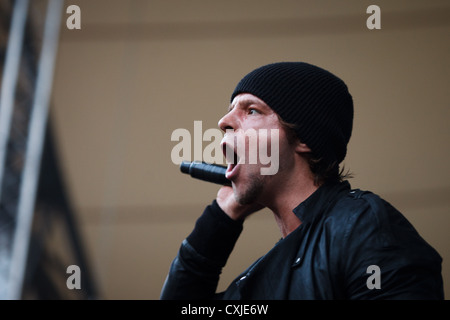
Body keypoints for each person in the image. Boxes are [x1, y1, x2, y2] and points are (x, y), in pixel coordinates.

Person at [160, 62, 444, 300]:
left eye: (252, 110)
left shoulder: (362, 225)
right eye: (231, 109)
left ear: (304, 138)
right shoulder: (257, 281)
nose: (223, 121)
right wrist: (221, 216)